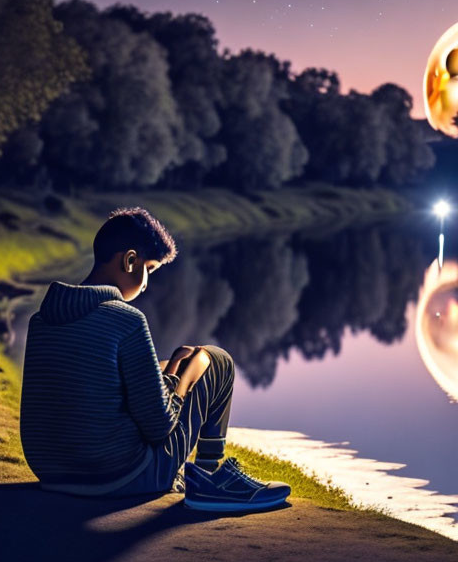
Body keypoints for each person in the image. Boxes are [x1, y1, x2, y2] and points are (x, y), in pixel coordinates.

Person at [19, 206, 290, 512]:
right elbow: (160, 426)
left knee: (161, 368)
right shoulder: (126, 319)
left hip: (53, 472)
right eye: (149, 268)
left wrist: (166, 370)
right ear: (130, 260)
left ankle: (203, 478)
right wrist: (182, 371)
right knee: (215, 360)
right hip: (120, 475)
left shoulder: (42, 319)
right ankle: (210, 480)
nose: (147, 282)